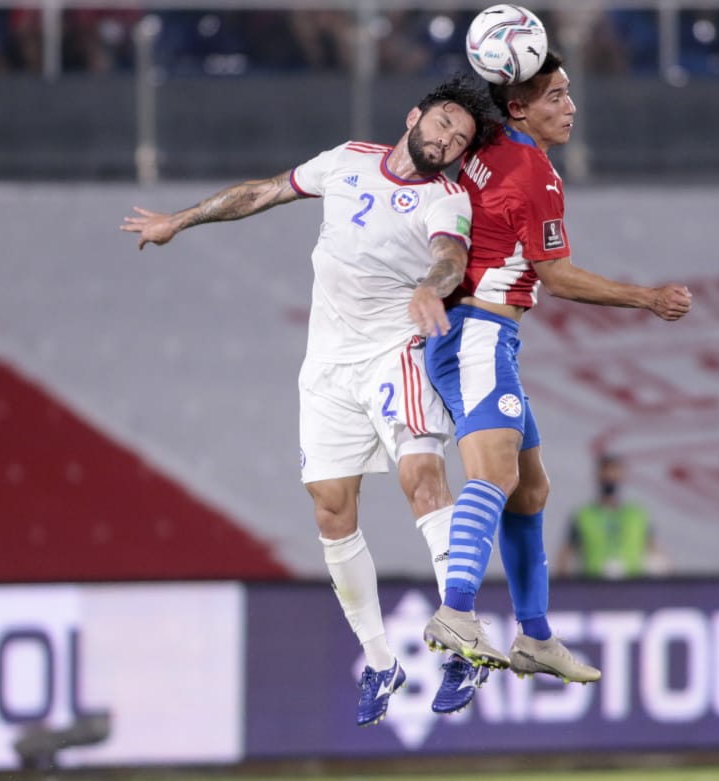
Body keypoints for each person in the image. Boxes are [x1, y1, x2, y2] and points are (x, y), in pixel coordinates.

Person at [119, 74, 500, 726]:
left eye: (459, 139)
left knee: (422, 476)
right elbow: (264, 191)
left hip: (393, 352)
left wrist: (435, 288)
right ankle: (380, 661)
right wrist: (177, 220)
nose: (444, 140)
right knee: (329, 509)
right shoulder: (348, 157)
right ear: (414, 116)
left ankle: (462, 631)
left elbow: (448, 256)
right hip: (326, 368)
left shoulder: (446, 200)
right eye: (441, 123)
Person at [420, 50, 693, 708]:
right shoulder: (535, 173)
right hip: (479, 331)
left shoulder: (488, 138)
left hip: (483, 334)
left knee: (532, 488)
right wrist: (647, 297)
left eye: (569, 94)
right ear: (519, 106)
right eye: (555, 96)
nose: (570, 106)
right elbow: (557, 276)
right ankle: (455, 610)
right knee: (494, 476)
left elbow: (476, 97)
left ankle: (534, 634)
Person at [555, 452, 669, 579]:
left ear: (622, 475)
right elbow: (566, 554)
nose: (609, 476)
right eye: (605, 471)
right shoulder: (583, 515)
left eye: (614, 471)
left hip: (633, 587)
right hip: (593, 587)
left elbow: (656, 552)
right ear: (597, 475)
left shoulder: (638, 515)